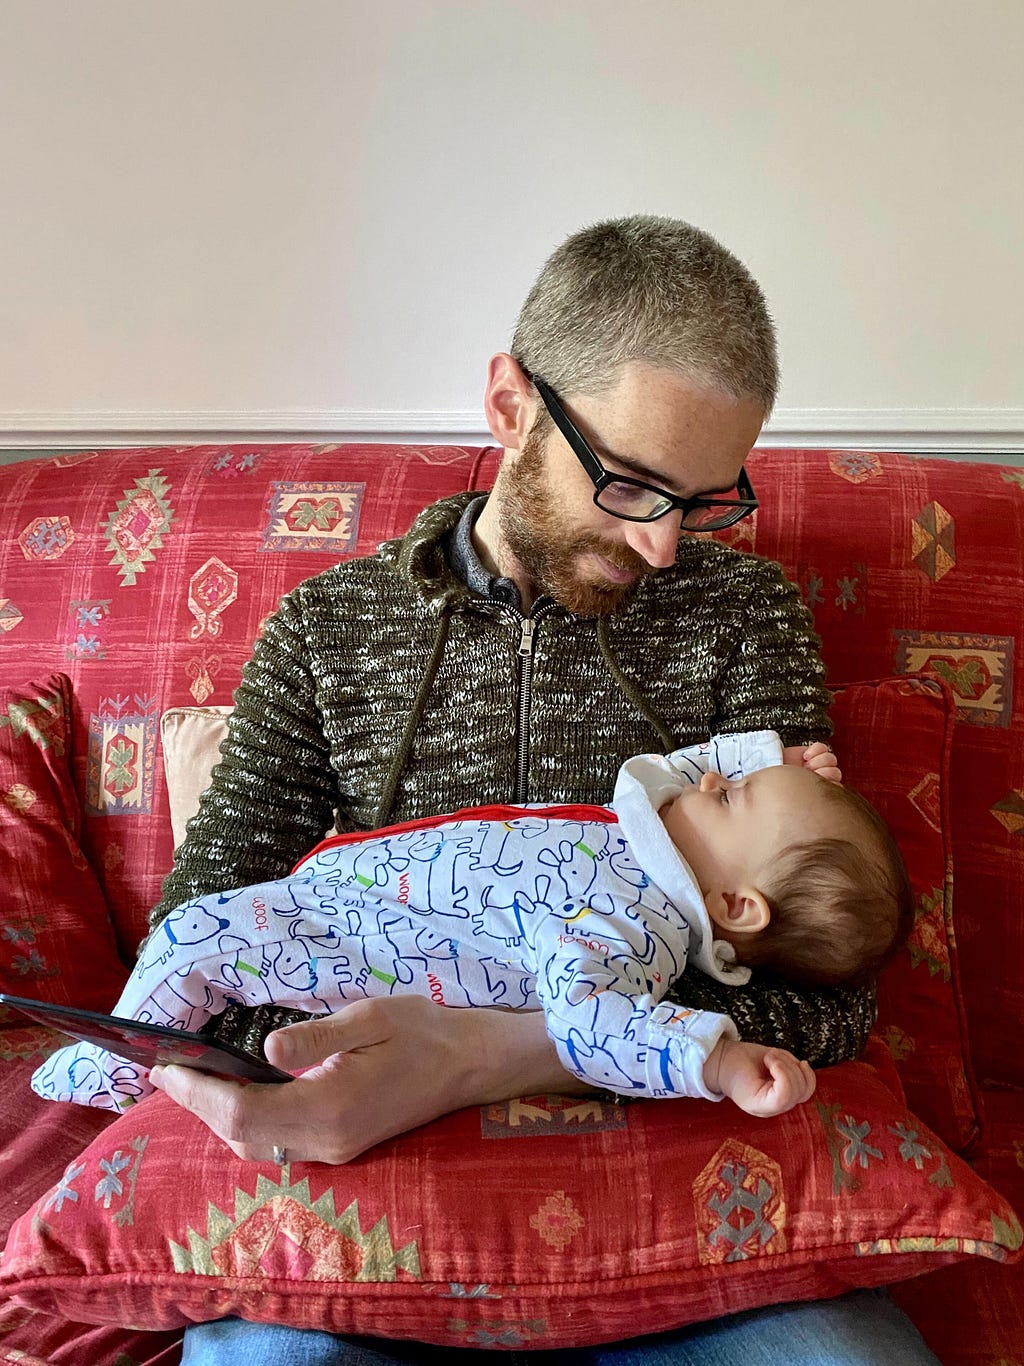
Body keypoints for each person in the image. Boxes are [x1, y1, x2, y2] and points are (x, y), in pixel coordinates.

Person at [141, 216, 939, 1363]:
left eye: (706, 499)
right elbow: (196, 940)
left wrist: (491, 1050)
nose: (667, 547)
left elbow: (829, 995)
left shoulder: (746, 618)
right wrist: (306, 1062)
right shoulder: (328, 632)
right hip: (382, 1210)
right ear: (512, 405)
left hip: (692, 1221)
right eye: (631, 485)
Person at [37, 731, 911, 1121]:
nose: (718, 779)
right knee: (196, 924)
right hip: (345, 899)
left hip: (351, 945)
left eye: (739, 793)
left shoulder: (632, 922)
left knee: (194, 935)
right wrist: (768, 759)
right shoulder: (665, 839)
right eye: (632, 482)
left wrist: (712, 1057)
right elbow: (691, 766)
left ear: (736, 909)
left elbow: (592, 1025)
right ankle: (133, 1048)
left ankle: (117, 1069)